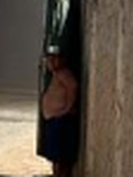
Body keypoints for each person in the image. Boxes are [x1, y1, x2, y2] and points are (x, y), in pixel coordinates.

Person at [39, 47, 79, 177]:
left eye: (54, 59)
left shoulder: (63, 73)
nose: (51, 62)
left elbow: (73, 86)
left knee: (61, 159)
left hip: (61, 121)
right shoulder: (56, 74)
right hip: (55, 121)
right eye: (49, 59)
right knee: (56, 158)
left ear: (61, 60)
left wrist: (67, 108)